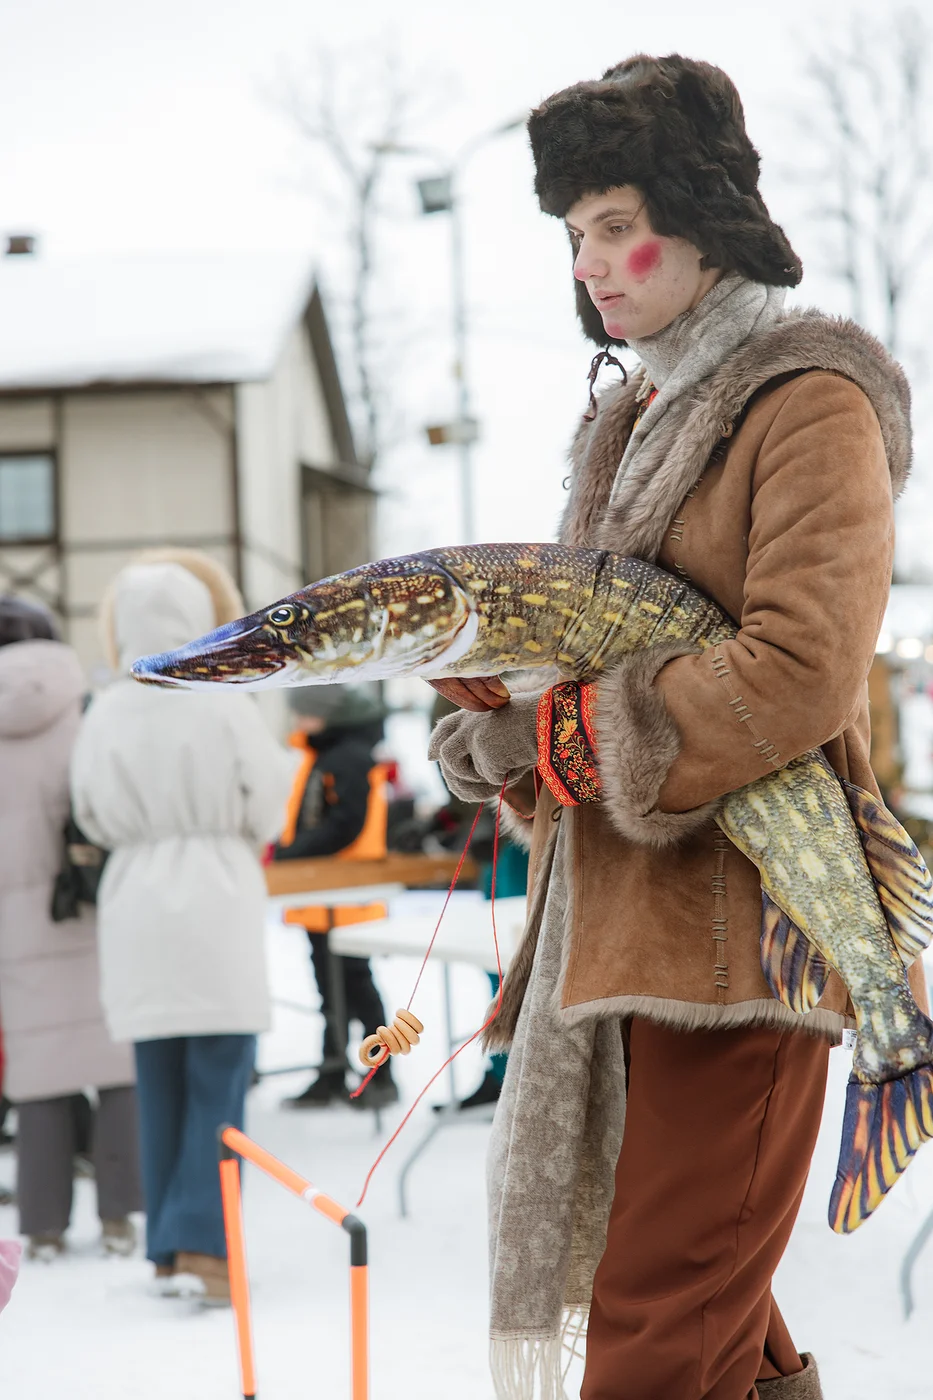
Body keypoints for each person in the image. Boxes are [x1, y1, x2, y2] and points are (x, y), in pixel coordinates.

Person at [428, 54, 925, 1400]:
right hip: (615, 936)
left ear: (700, 216)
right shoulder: (623, 423)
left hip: (743, 943)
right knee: (701, 1313)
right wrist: (505, 722)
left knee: (657, 1326)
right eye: (572, 231)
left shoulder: (806, 401)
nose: (590, 259)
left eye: (610, 220)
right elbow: (587, 670)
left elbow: (796, 670)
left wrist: (571, 736)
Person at [71, 551, 294, 1303]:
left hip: (132, 896)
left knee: (157, 1078)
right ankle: (205, 1240)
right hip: (213, 892)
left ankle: (168, 1244)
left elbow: (90, 813)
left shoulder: (105, 707)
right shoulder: (220, 698)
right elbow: (266, 800)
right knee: (219, 1075)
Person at [0, 596, 141, 1260]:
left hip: (13, 922)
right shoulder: (90, 713)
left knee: (38, 1069)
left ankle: (44, 1226)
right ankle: (118, 1218)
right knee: (112, 1063)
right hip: (91, 906)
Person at [272, 685, 399, 1111]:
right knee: (332, 986)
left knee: (355, 986)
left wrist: (291, 854)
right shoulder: (327, 753)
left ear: (324, 716)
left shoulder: (346, 757)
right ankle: (332, 1069)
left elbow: (345, 823)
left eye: (303, 714)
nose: (297, 722)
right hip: (325, 893)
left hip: (346, 894)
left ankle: (381, 1074)